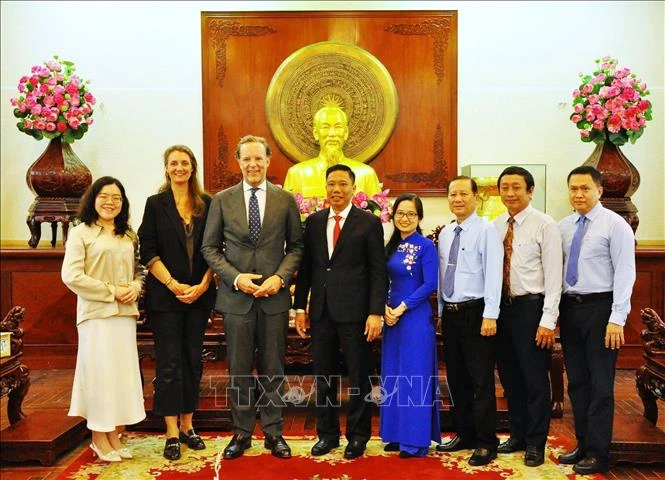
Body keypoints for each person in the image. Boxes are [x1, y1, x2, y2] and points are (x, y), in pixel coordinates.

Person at [201, 134, 303, 460]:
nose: (253, 164)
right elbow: (209, 248)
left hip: (273, 298)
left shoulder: (285, 199)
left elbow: (297, 247)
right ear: (239, 162)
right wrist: (235, 278)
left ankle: (274, 434)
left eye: (258, 158)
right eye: (247, 159)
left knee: (274, 370)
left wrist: (279, 278)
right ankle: (242, 434)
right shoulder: (222, 200)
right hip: (236, 299)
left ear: (268, 161)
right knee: (239, 371)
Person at [294, 164, 387, 460]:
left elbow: (378, 272)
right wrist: (299, 308)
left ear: (353, 188)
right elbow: (307, 269)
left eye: (342, 184)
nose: (336, 189)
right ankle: (327, 435)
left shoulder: (368, 223)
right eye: (331, 184)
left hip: (357, 313)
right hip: (321, 312)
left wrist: (375, 312)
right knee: (324, 377)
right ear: (325, 188)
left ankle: (358, 436)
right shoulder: (315, 221)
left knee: (359, 377)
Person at [137, 145, 216, 461]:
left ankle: (188, 426)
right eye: (174, 163)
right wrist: (172, 284)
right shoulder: (155, 204)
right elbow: (148, 249)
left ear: (193, 167)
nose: (179, 167)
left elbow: (215, 246)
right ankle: (170, 431)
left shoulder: (206, 204)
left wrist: (202, 284)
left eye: (185, 163)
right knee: (169, 363)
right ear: (166, 168)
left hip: (199, 296)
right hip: (165, 298)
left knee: (191, 361)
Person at [557, 165, 635, 475]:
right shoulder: (563, 226)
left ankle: (598, 452)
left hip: (601, 310)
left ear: (599, 190)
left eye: (585, 188)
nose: (578, 194)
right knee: (576, 382)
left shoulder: (615, 225)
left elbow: (625, 273)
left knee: (600, 383)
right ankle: (582, 443)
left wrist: (617, 318)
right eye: (573, 188)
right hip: (570, 308)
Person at [61, 176, 145, 463]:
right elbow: (71, 276)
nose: (110, 203)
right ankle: (98, 437)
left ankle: (113, 435)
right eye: (105, 197)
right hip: (97, 315)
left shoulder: (128, 234)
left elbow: (139, 269)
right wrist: (111, 291)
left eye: (117, 198)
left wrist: (135, 287)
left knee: (119, 377)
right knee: (99, 376)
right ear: (93, 199)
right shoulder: (81, 232)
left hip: (125, 315)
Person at [493, 166, 563, 467]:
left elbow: (554, 276)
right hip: (502, 310)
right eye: (504, 187)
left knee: (534, 378)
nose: (510, 193)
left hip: (531, 309)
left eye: (516, 187)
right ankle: (518, 434)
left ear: (530, 190)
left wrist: (548, 320)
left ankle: (536, 441)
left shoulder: (545, 225)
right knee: (509, 376)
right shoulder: (495, 225)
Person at [436, 175, 503, 466]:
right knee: (457, 379)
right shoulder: (447, 233)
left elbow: (494, 274)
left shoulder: (487, 230)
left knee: (481, 381)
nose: (457, 199)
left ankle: (487, 442)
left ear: (476, 197)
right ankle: (464, 433)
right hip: (451, 314)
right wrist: (440, 312)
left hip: (477, 314)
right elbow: (442, 276)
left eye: (463, 193)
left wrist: (491, 314)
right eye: (452, 194)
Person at [380, 193, 440, 458]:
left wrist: (403, 307)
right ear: (393, 216)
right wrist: (384, 308)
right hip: (391, 318)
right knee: (393, 375)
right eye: (400, 213)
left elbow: (430, 284)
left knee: (415, 377)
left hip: (414, 317)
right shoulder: (389, 246)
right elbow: (380, 280)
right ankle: (395, 434)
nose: (404, 218)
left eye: (411, 214)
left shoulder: (426, 246)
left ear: (419, 218)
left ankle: (414, 441)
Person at [283, 106, 382, 199]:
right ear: (316, 133)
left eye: (338, 127)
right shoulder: (297, 174)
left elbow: (377, 213)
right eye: (325, 127)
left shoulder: (366, 174)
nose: (332, 134)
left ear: (346, 133)